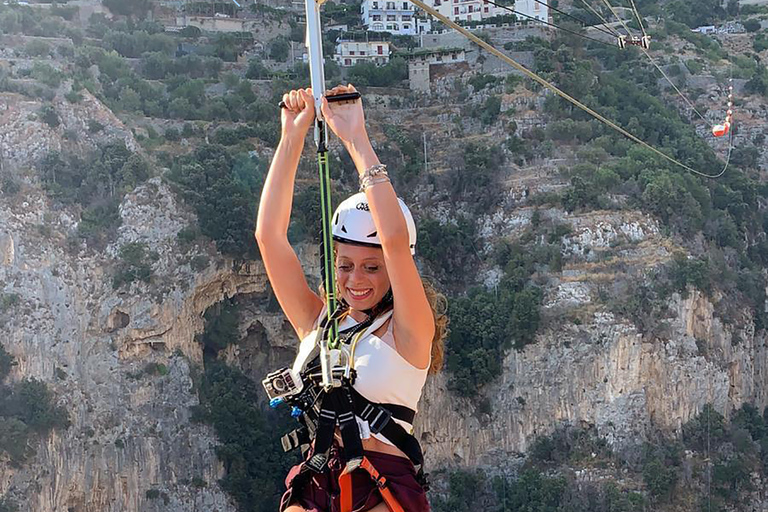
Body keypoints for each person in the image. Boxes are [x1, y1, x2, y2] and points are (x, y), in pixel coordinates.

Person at [254, 84, 447, 512]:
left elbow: (394, 241)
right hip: (318, 478)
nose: (355, 279)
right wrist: (292, 138)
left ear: (394, 271)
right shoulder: (320, 325)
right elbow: (269, 239)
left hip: (382, 485)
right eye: (345, 265)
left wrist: (356, 139)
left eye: (371, 267)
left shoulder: (410, 331)